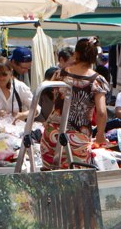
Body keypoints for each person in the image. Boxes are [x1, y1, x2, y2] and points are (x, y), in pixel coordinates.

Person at [40, 37, 108, 169]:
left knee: (49, 179)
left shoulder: (60, 74)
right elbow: (102, 111)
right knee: (74, 182)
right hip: (77, 138)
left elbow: (54, 98)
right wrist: (100, 136)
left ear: (76, 54)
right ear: (94, 57)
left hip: (52, 133)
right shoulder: (96, 80)